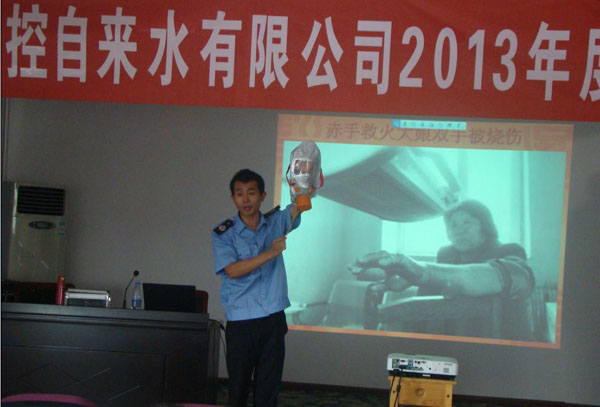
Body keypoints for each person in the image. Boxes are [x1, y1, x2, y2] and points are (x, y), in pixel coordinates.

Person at [349, 199, 535, 340]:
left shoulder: (509, 250)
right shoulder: (446, 254)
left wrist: (423, 271)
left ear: (485, 227)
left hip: (500, 348)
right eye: (453, 225)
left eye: (468, 223)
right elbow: (426, 303)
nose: (459, 230)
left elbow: (508, 278)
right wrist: (402, 280)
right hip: (451, 345)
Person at [211, 169, 301, 407]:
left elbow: (297, 208)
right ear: (233, 198)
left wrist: (304, 187)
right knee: (237, 390)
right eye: (239, 193)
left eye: (251, 192)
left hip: (272, 320)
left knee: (268, 391)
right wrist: (270, 253)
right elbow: (232, 270)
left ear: (262, 196)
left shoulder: (275, 222)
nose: (245, 199)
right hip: (241, 323)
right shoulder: (224, 233)